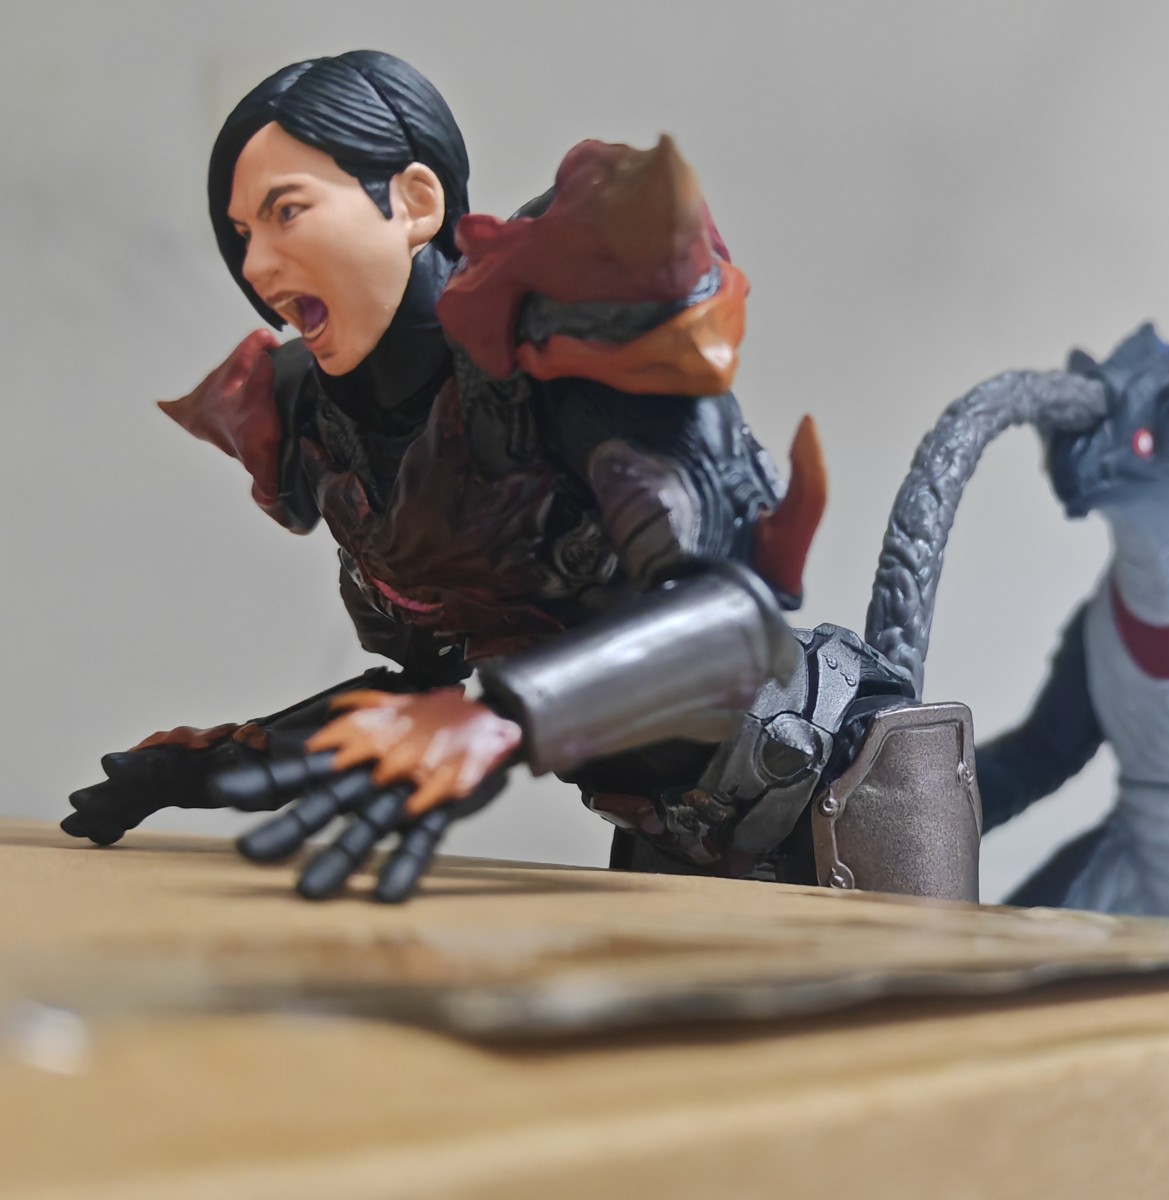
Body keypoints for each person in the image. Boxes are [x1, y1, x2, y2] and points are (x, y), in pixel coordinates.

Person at [62, 50, 827, 900]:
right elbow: (420, 703)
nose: (256, 266)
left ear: (416, 201)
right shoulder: (334, 432)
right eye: (243, 234)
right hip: (679, 839)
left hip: (840, 777)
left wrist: (505, 716)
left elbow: (733, 618)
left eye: (287, 212)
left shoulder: (557, 341)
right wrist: (206, 771)